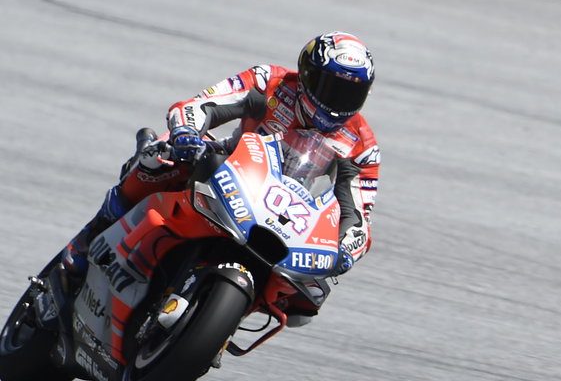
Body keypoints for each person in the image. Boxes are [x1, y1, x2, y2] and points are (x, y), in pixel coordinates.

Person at [60, 32, 380, 290]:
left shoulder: (362, 145)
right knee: (159, 157)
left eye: (350, 94)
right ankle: (88, 241)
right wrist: (186, 132)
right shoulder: (271, 83)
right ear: (308, 75)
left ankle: (219, 328)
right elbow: (201, 104)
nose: (337, 102)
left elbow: (359, 220)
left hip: (289, 217)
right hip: (231, 170)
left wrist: (344, 251)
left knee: (308, 293)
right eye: (331, 88)